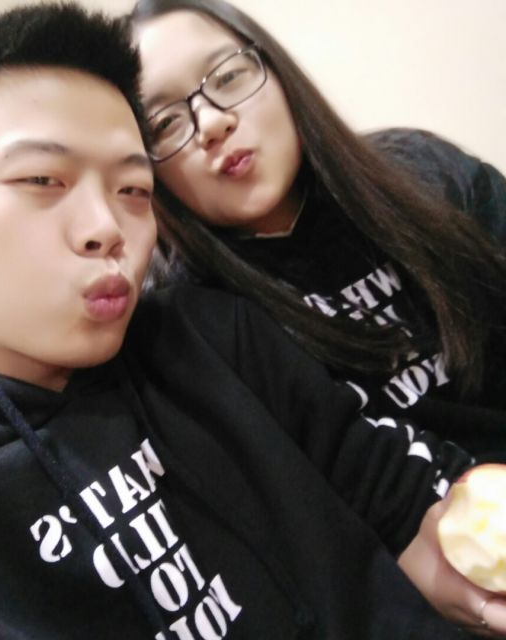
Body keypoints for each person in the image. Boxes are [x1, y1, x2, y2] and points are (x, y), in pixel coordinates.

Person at [0, 3, 504, 639]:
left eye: (133, 190)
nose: (106, 228)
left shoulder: (212, 338)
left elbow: (413, 505)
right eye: (42, 178)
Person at [129, 0, 506, 460]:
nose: (211, 123)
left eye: (227, 78)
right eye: (165, 123)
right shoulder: (193, 326)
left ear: (278, 72)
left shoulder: (424, 172)